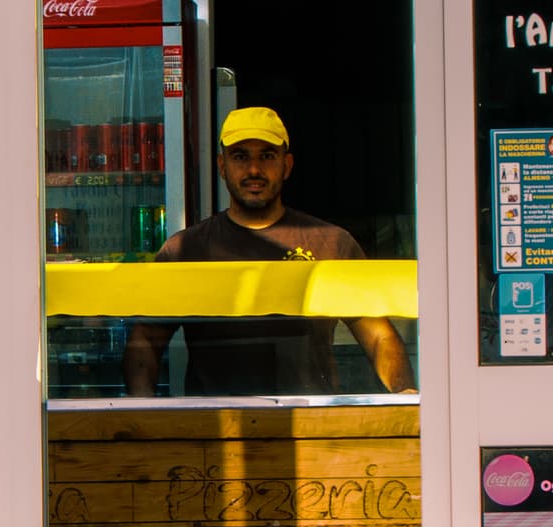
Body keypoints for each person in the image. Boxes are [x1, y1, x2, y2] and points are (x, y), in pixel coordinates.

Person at [122, 107, 411, 396]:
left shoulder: (330, 244)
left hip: (310, 427)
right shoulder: (185, 250)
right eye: (240, 156)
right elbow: (146, 340)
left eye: (267, 156)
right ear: (222, 166)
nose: (254, 170)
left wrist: (405, 395)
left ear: (287, 165)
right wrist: (141, 417)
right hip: (215, 431)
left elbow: (378, 337)